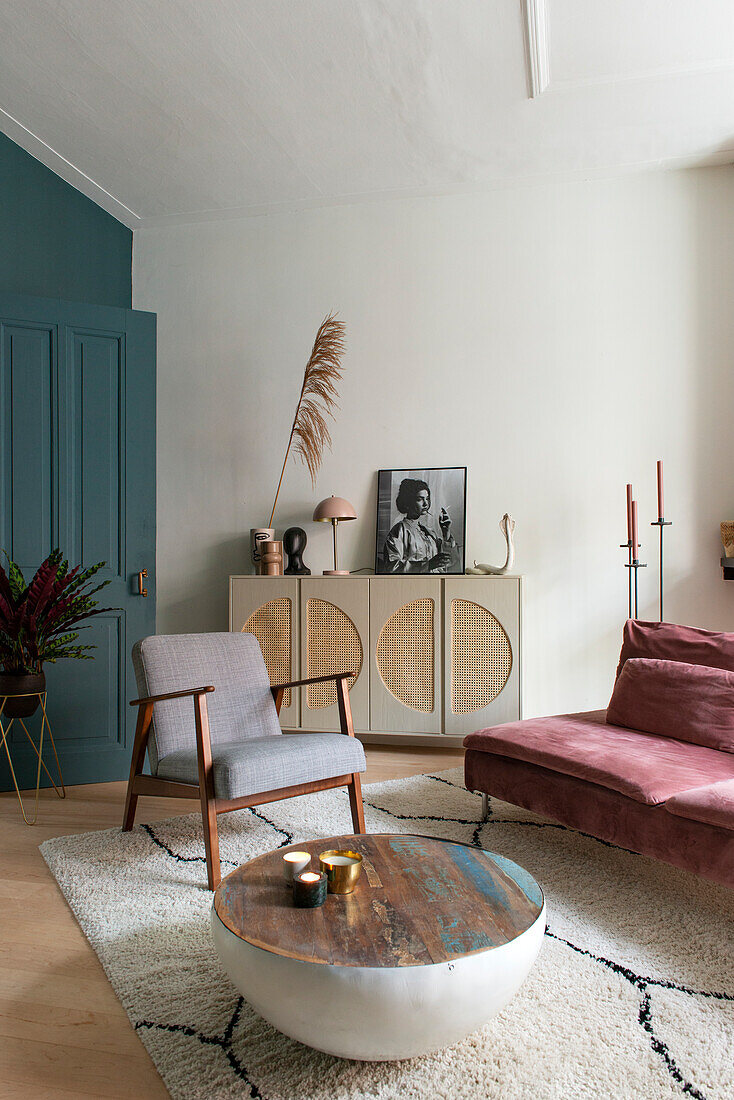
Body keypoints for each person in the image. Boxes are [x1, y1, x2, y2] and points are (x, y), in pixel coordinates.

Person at [381, 478, 459, 573]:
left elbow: (450, 562)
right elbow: (392, 567)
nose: (426, 504)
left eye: (427, 498)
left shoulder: (429, 532)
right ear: (408, 502)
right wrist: (428, 565)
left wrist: (446, 532)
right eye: (419, 499)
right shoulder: (399, 530)